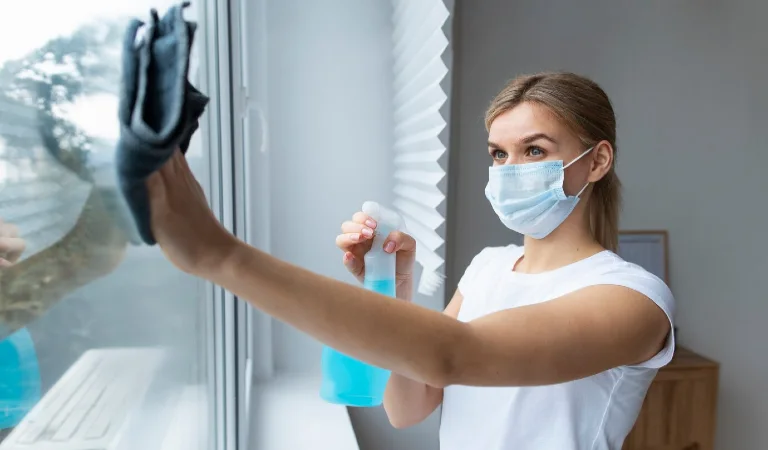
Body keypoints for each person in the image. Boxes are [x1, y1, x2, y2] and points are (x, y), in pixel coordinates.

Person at [146, 71, 674, 449]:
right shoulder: (489, 266)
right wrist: (394, 286)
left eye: (534, 150)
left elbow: (453, 355)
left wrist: (223, 257)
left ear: (597, 160)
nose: (510, 169)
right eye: (498, 153)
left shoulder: (634, 300)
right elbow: (409, 409)